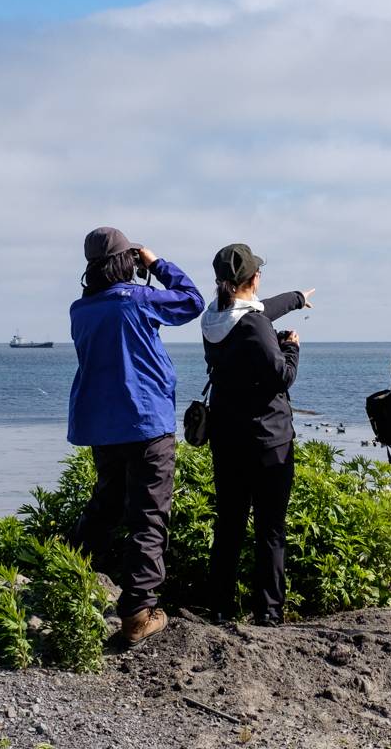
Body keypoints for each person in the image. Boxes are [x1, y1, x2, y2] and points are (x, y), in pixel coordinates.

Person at [67, 227, 204, 647]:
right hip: (146, 422)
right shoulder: (139, 300)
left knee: (105, 506)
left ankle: (70, 579)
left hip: (102, 425)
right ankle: (137, 614)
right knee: (149, 514)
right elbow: (192, 302)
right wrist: (157, 263)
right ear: (127, 261)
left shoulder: (80, 308)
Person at [200, 244, 313, 626]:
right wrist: (292, 348)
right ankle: (267, 612)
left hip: (226, 437)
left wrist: (297, 298)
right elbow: (281, 375)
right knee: (270, 530)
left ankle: (219, 607)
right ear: (254, 279)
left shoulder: (213, 317)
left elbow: (262, 310)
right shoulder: (254, 325)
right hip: (267, 440)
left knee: (229, 524)